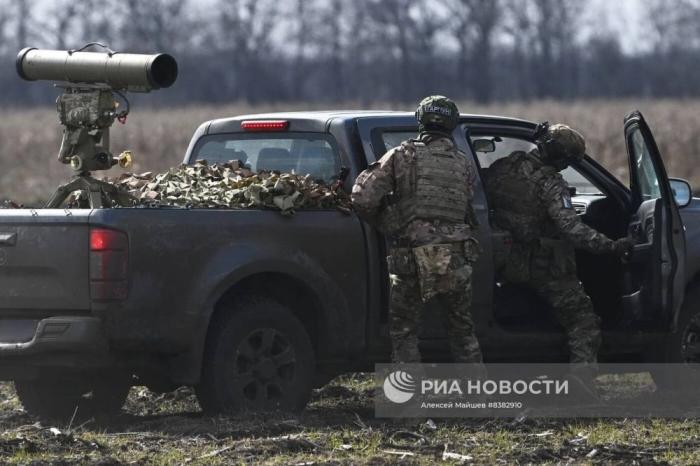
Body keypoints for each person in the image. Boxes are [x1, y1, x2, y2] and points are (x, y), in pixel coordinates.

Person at [484, 122, 632, 387]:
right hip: (539, 264)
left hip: (503, 258)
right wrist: (612, 246)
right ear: (561, 159)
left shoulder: (504, 166)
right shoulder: (551, 184)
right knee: (584, 322)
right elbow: (572, 230)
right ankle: (582, 387)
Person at [351, 96, 482, 364]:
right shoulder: (463, 162)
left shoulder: (403, 155)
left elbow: (362, 198)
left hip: (413, 255)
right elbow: (467, 203)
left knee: (404, 333)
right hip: (456, 257)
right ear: (452, 124)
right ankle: (476, 401)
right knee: (462, 332)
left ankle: (409, 404)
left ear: (421, 120)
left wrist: (386, 222)